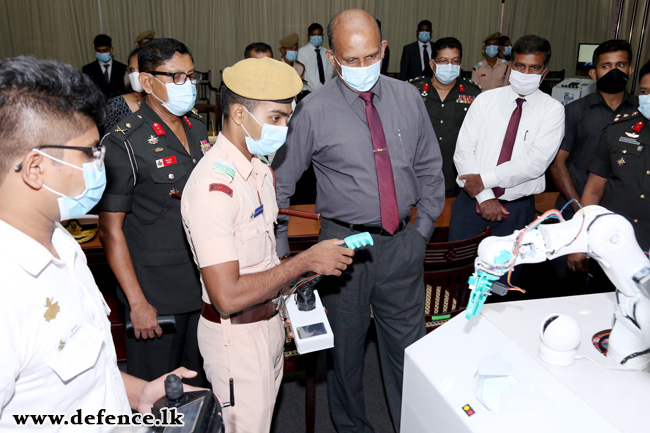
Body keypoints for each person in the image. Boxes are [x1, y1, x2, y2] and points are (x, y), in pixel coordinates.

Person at [0, 55, 199, 430]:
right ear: (35, 168)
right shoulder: (7, 289)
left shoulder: (63, 243)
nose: (100, 163)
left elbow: (83, 375)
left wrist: (137, 394)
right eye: (90, 152)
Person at [273, 9, 444, 432]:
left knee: (407, 349)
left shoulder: (407, 96)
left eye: (371, 57)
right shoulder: (313, 111)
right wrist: (284, 263)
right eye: (351, 60)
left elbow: (429, 169)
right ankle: (352, 427)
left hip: (403, 242)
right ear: (332, 57)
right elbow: (279, 186)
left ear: (384, 50)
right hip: (342, 248)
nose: (363, 68)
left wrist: (421, 233)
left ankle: (412, 423)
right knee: (345, 351)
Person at [181, 57, 354, 433]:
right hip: (236, 338)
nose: (284, 128)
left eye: (287, 118)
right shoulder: (214, 187)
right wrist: (306, 260)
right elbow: (226, 295)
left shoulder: (257, 169)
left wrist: (285, 305)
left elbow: (263, 260)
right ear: (240, 114)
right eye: (276, 118)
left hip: (266, 321)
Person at [96, 38, 207, 387]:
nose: (186, 85)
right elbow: (109, 230)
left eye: (190, 75)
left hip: (201, 285)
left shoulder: (197, 127)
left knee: (199, 386)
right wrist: (137, 302)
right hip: (155, 297)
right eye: (175, 77)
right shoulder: (122, 141)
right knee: (156, 394)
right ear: (146, 81)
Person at [450, 35, 564, 242]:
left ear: (545, 72)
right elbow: (464, 151)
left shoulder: (553, 110)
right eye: (520, 66)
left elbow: (535, 163)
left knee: (507, 274)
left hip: (516, 210)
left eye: (534, 68)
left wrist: (484, 180)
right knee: (460, 272)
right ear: (510, 66)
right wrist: (485, 196)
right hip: (471, 202)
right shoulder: (485, 100)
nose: (525, 73)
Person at [570, 61, 650, 271]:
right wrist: (582, 240)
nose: (648, 97)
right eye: (644, 91)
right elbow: (593, 190)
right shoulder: (618, 129)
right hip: (613, 246)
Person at [550, 40, 637, 219]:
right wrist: (580, 209)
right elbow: (557, 164)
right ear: (593, 73)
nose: (614, 71)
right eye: (606, 66)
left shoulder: (641, 111)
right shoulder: (574, 111)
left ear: (630, 69)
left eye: (620, 65)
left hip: (625, 212)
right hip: (576, 208)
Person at [409, 37, 481, 197]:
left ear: (461, 63)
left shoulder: (473, 93)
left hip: (458, 177)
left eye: (454, 61)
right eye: (443, 61)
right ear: (432, 64)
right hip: (420, 175)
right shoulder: (413, 91)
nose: (450, 66)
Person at [104, 47, 146, 132]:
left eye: (140, 69)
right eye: (132, 70)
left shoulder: (166, 102)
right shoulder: (117, 105)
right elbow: (109, 141)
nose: (135, 74)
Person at [82, 34, 127, 98]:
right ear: (94, 49)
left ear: (111, 49)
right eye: (98, 51)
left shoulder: (122, 68)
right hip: (98, 105)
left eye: (105, 50)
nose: (101, 53)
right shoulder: (87, 69)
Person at [298, 23, 334, 93]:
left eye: (319, 35)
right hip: (308, 91)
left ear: (323, 36)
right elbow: (304, 74)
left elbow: (330, 72)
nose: (316, 37)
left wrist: (325, 88)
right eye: (314, 35)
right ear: (308, 36)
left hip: (325, 91)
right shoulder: (302, 52)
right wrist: (317, 89)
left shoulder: (326, 52)